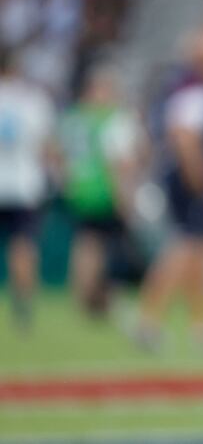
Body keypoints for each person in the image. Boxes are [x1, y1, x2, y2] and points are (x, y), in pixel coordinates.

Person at [133, 24, 203, 352]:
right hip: (191, 180)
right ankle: (149, 321)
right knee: (185, 248)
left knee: (199, 254)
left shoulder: (186, 85)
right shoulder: (195, 88)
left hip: (185, 177)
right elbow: (185, 136)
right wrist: (200, 177)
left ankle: (202, 326)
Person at [58, 63, 144, 317]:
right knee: (106, 246)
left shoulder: (75, 117)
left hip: (79, 188)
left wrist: (67, 178)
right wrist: (124, 197)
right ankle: (98, 298)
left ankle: (81, 296)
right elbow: (120, 163)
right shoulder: (111, 119)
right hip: (103, 189)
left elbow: (57, 152)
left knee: (85, 243)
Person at [0, 47, 54, 332]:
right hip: (23, 183)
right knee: (23, 246)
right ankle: (23, 306)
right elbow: (45, 145)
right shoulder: (32, 100)